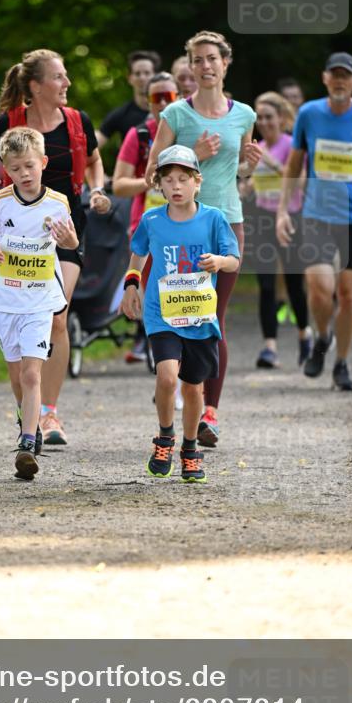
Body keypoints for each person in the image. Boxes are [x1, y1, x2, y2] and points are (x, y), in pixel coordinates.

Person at [0, 48, 110, 446]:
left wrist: (97, 190)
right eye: (59, 77)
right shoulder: (10, 126)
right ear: (35, 85)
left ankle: (48, 413)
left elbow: (95, 162)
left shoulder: (78, 121)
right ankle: (28, 403)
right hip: (15, 235)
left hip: (63, 229)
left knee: (58, 316)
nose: (67, 83)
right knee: (20, 333)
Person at [145, 30, 261, 446]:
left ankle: (209, 412)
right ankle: (174, 385)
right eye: (198, 60)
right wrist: (194, 152)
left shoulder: (244, 114)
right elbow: (149, 174)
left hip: (226, 223)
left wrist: (248, 164)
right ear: (190, 67)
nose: (206, 66)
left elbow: (239, 174)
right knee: (181, 311)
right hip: (180, 225)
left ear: (225, 63)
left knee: (215, 317)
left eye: (212, 58)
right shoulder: (176, 115)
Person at [276, 52, 352, 390]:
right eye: (335, 74)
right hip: (315, 214)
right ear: (325, 78)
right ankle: (322, 337)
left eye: (347, 75)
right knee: (320, 288)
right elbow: (293, 164)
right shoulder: (309, 114)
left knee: (348, 294)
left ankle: (341, 363)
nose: (341, 80)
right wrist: (284, 210)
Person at [121, 145, 239, 482]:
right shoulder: (152, 220)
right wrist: (131, 285)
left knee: (192, 388)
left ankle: (189, 449)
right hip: (162, 314)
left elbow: (233, 258)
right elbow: (138, 255)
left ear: (197, 182)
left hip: (199, 316)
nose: (175, 186)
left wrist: (219, 262)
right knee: (167, 377)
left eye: (183, 179)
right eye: (168, 180)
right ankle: (165, 437)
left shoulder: (213, 218)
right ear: (158, 185)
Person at [0, 126, 78, 480]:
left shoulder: (58, 202)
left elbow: (71, 242)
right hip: (5, 299)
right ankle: (26, 418)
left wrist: (67, 238)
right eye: (16, 169)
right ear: (6, 169)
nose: (24, 175)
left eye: (30, 167)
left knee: (33, 372)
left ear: (43, 163)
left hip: (40, 299)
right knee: (17, 372)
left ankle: (27, 443)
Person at [113, 71, 178, 364]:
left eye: (169, 96)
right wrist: (150, 182)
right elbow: (119, 185)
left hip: (188, 226)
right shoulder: (139, 135)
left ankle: (181, 369)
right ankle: (164, 363)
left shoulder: (190, 130)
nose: (163, 103)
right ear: (147, 101)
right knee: (155, 296)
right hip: (148, 226)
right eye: (156, 97)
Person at [244, 91, 311, 368]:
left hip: (290, 218)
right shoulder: (256, 146)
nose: (264, 122)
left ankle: (304, 335)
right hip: (262, 218)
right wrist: (243, 185)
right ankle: (269, 347)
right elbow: (251, 183)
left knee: (295, 284)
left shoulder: (292, 145)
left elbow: (300, 182)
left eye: (269, 117)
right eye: (259, 117)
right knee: (267, 285)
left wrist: (271, 163)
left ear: (281, 119)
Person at [96, 49, 162, 149]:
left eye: (147, 73)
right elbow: (94, 143)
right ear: (130, 78)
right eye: (137, 73)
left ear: (156, 76)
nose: (142, 78)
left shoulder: (170, 111)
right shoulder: (121, 114)